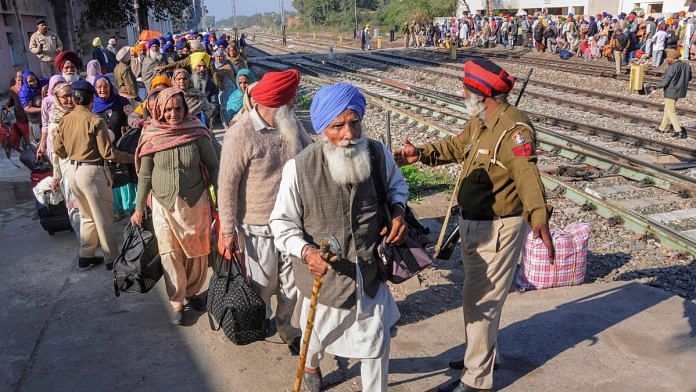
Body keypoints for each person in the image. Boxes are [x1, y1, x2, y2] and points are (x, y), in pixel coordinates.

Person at [393, 59, 555, 392]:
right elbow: (455, 147)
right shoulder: (481, 122)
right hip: (473, 225)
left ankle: (476, 380)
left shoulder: (513, 130)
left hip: (498, 229)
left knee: (482, 301)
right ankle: (480, 356)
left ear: (481, 93)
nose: (462, 91)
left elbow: (528, 174)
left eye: (466, 87)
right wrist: (420, 153)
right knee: (477, 297)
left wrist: (539, 216)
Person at [270, 82, 408, 392]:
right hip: (325, 282)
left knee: (376, 344)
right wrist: (306, 253)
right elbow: (280, 222)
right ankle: (311, 363)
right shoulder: (299, 168)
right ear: (322, 130)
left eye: (354, 122)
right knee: (316, 337)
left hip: (369, 275)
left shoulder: (377, 153)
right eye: (338, 126)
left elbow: (397, 186)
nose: (349, 134)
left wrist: (398, 212)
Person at [218, 69, 311, 355]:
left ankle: (289, 330)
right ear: (275, 104)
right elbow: (227, 184)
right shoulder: (241, 132)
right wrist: (227, 229)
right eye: (290, 102)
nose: (294, 106)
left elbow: (309, 155)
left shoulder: (290, 123)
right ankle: (260, 320)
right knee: (263, 284)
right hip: (258, 227)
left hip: (293, 223)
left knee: (292, 285)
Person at [131, 87, 219, 325]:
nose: (173, 114)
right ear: (159, 110)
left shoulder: (197, 132)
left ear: (185, 108)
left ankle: (192, 291)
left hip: (196, 203)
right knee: (169, 253)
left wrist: (220, 199)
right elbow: (145, 176)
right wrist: (139, 208)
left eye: (177, 108)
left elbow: (213, 166)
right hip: (163, 205)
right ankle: (177, 300)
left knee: (197, 254)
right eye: (168, 109)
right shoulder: (151, 135)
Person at [52, 80, 134, 269]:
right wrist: (133, 157)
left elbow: (59, 150)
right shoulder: (95, 120)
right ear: (91, 99)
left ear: (75, 98)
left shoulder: (65, 119)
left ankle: (86, 254)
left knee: (86, 216)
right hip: (92, 173)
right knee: (103, 218)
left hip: (71, 172)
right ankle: (111, 258)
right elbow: (108, 153)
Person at [47, 82, 81, 236]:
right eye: (65, 96)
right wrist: (56, 176)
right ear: (57, 99)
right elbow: (55, 153)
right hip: (67, 167)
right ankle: (85, 242)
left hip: (85, 165)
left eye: (71, 95)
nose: (69, 100)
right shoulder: (55, 122)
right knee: (74, 207)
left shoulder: (81, 114)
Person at [652, 48, 692, 139]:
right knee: (668, 109)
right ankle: (662, 128)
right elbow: (689, 78)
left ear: (673, 58)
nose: (666, 59)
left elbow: (666, 82)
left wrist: (655, 86)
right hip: (680, 91)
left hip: (671, 91)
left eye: (668, 58)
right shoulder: (687, 66)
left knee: (670, 111)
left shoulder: (671, 67)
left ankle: (679, 131)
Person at [38, 75, 66, 158]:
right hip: (54, 139)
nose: (59, 87)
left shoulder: (70, 99)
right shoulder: (47, 102)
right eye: (56, 85)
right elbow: (45, 124)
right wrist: (42, 143)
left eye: (61, 84)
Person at [19, 71, 47, 144]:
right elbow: (27, 108)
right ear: (25, 82)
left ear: (36, 78)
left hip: (46, 119)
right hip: (36, 122)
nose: (32, 83)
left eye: (33, 80)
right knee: (40, 143)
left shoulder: (41, 83)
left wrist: (47, 87)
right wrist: (43, 109)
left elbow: (54, 80)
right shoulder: (24, 92)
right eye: (29, 81)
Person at [3, 71, 30, 145]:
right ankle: (30, 151)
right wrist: (5, 106)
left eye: (22, 80)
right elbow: (11, 102)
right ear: (15, 79)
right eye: (18, 80)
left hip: (31, 117)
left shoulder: (29, 87)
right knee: (26, 137)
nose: (20, 82)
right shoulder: (12, 90)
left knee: (34, 137)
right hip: (20, 117)